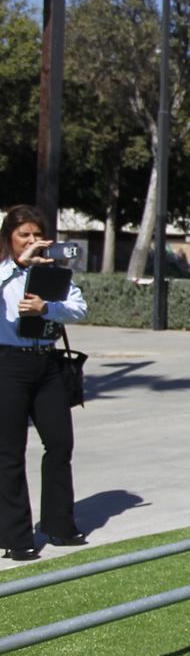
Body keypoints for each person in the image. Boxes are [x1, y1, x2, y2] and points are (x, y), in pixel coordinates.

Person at [0, 205, 90, 562]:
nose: (32, 241)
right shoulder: (4, 273)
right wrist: (19, 266)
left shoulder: (56, 274)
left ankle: (59, 525)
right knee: (9, 452)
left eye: (37, 235)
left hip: (48, 363)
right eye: (24, 235)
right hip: (9, 363)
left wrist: (46, 309)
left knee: (60, 443)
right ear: (9, 239)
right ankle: (16, 536)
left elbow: (79, 308)